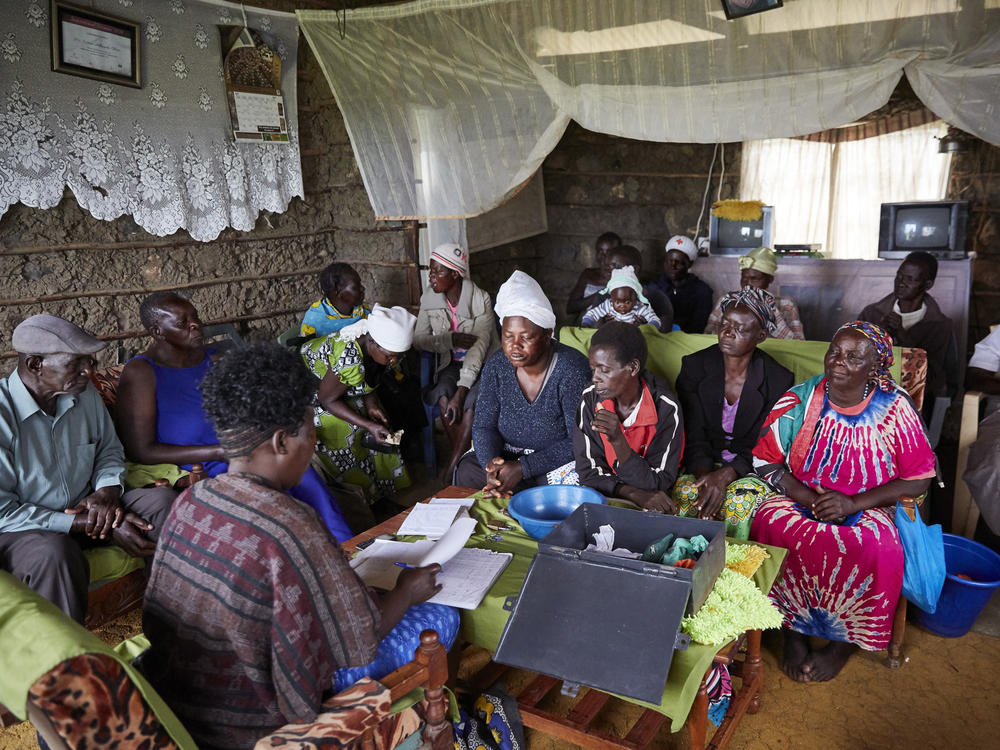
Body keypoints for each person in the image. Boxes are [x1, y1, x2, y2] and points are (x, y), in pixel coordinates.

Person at [139, 343, 458, 750]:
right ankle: (432, 729)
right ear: (280, 442)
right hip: (255, 721)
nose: (314, 446)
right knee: (442, 616)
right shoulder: (289, 521)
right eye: (311, 433)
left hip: (181, 702)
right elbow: (362, 639)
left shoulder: (190, 501)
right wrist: (408, 592)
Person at [750, 321, 936, 683]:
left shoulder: (895, 407)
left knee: (875, 544)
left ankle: (843, 645)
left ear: (874, 367)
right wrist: (805, 497)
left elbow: (920, 477)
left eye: (853, 357)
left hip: (868, 506)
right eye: (834, 351)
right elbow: (764, 460)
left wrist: (853, 504)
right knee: (772, 524)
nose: (838, 361)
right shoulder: (801, 399)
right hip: (803, 496)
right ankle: (793, 632)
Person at [117, 292, 352, 542]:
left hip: (244, 448)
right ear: (157, 332)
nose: (195, 324)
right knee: (264, 496)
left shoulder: (214, 357)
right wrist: (219, 451)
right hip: (206, 462)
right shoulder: (142, 373)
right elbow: (142, 450)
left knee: (305, 478)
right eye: (182, 323)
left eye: (194, 316)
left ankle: (347, 552)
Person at [0, 314, 175, 622]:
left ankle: (172, 629)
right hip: (27, 528)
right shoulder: (3, 415)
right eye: (76, 363)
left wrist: (107, 493)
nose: (89, 371)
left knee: (163, 504)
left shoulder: (84, 394)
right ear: (35, 365)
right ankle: (67, 663)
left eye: (90, 362)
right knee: (52, 554)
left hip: (92, 508)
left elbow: (109, 450)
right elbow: (4, 512)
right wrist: (93, 522)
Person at [454, 271, 591, 496]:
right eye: (508, 336)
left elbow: (578, 440)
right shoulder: (497, 366)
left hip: (552, 462)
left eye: (525, 337)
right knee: (468, 471)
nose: (515, 346)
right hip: (506, 456)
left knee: (576, 484)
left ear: (547, 334)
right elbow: (483, 426)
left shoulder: (571, 370)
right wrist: (492, 468)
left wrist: (523, 468)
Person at [674, 288, 794, 538]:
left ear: (760, 336)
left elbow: (765, 442)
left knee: (741, 503)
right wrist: (707, 478)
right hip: (700, 463)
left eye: (741, 328)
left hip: (750, 466)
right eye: (725, 323)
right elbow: (692, 431)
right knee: (687, 495)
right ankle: (685, 566)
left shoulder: (777, 379)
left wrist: (726, 475)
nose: (728, 332)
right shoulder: (695, 367)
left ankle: (736, 567)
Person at [301, 304, 416, 515]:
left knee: (381, 422)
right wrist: (367, 425)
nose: (394, 362)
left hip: (339, 390)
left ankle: (379, 497)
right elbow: (327, 400)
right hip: (312, 397)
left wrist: (372, 406)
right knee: (347, 430)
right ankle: (358, 505)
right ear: (372, 342)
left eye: (399, 357)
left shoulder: (375, 348)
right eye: (392, 356)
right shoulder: (348, 357)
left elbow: (369, 377)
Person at [574, 322, 682, 512]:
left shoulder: (666, 407)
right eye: (593, 369)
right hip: (613, 492)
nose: (595, 378)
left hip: (650, 493)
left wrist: (618, 440)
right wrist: (632, 493)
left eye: (604, 370)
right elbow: (588, 472)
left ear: (632, 367)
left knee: (660, 509)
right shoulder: (590, 400)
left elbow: (659, 481)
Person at [414, 243, 499, 480]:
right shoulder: (429, 299)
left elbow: (478, 348)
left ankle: (452, 468)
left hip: (483, 366)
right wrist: (449, 340)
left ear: (454, 274)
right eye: (430, 270)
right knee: (442, 395)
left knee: (471, 402)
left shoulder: (480, 299)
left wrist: (461, 392)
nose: (431, 277)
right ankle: (460, 462)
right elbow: (419, 340)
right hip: (449, 364)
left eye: (438, 271)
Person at [856, 251, 958, 411]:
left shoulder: (940, 326)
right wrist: (879, 336)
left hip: (914, 406)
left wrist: (903, 336)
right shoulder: (872, 314)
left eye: (910, 279)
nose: (901, 283)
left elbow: (935, 377)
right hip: (866, 397)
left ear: (927, 285)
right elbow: (852, 357)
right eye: (899, 276)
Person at [704, 247, 804, 340]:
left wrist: (768, 311)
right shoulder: (726, 301)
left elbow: (798, 344)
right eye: (744, 278)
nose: (747, 284)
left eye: (754, 279)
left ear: (770, 279)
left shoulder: (786, 305)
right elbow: (707, 337)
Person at [649, 235, 714, 334]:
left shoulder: (702, 291)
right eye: (669, 261)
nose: (673, 266)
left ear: (690, 264)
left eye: (679, 262)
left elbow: (698, 326)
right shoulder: (655, 287)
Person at [300, 262, 370, 339]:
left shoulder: (363, 311)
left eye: (360, 284)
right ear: (337, 292)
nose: (362, 288)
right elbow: (308, 349)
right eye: (356, 287)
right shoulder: (315, 322)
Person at [581, 265, 662, 329]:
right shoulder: (608, 306)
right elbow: (591, 314)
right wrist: (586, 324)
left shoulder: (639, 308)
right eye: (617, 302)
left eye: (627, 302)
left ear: (635, 298)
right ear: (611, 298)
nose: (622, 305)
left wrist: (648, 327)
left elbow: (655, 319)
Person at [566, 231, 622, 318]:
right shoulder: (588, 274)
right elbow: (570, 308)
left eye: (609, 252)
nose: (603, 256)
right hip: (586, 326)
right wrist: (598, 296)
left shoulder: (625, 277)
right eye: (600, 251)